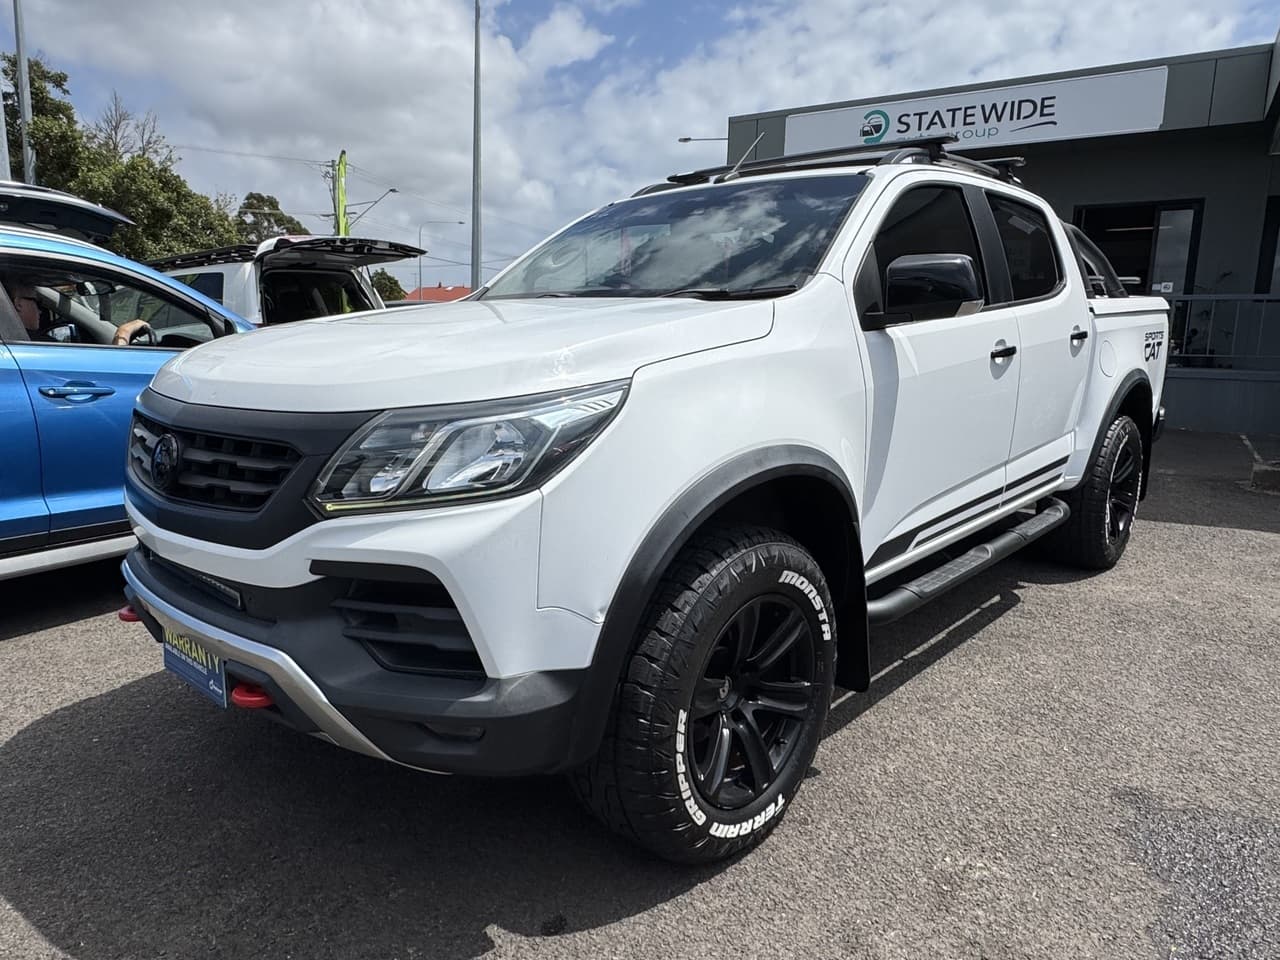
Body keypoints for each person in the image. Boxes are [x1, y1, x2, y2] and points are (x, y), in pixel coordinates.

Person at [4, 278, 150, 344]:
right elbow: (112, 371)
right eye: (37, 302)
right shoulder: (35, 345)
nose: (40, 311)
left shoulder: (15, 342)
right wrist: (123, 333)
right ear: (18, 304)